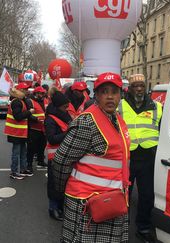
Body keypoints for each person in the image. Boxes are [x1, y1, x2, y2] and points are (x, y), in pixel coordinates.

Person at [53, 72, 131, 242]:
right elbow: (61, 160)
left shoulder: (117, 119)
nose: (110, 97)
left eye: (114, 91)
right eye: (104, 92)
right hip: (86, 204)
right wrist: (61, 192)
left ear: (120, 95)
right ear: (96, 96)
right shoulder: (87, 123)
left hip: (111, 200)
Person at [118, 73, 162, 242]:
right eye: (135, 86)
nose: (139, 89)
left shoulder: (156, 106)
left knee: (147, 196)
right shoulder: (120, 105)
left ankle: (143, 228)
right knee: (123, 194)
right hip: (127, 157)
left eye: (142, 86)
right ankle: (121, 226)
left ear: (145, 88)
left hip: (148, 158)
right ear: (130, 88)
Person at [44, 91, 72, 221]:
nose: (67, 109)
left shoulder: (65, 116)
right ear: (58, 106)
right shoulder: (50, 119)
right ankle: (53, 208)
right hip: (55, 157)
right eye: (64, 107)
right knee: (54, 185)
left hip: (67, 156)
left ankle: (60, 207)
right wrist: (68, 133)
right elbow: (52, 138)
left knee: (63, 185)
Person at [5, 83, 36, 180]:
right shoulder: (16, 102)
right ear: (21, 90)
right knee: (17, 152)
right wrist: (29, 112)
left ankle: (23, 169)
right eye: (25, 89)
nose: (27, 91)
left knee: (23, 151)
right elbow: (18, 117)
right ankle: (14, 172)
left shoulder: (20, 101)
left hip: (20, 132)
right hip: (16, 132)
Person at [27, 86, 48, 172]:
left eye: (43, 93)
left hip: (43, 128)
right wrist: (36, 119)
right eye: (41, 93)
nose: (42, 95)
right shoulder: (30, 102)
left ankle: (40, 161)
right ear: (36, 93)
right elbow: (28, 114)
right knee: (31, 148)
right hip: (34, 128)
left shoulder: (45, 101)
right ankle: (29, 164)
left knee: (42, 146)